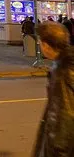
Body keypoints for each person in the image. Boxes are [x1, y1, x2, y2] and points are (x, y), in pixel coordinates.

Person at [32, 21, 74, 156]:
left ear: (46, 45)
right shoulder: (69, 62)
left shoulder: (62, 72)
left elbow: (63, 120)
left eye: (40, 42)